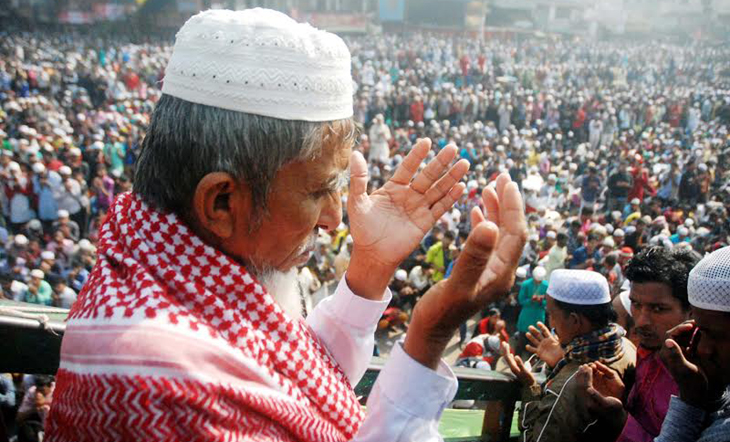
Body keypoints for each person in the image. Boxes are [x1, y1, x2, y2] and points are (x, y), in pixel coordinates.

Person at [46, 9, 528, 442]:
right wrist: (427, 336)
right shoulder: (163, 377)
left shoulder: (155, 257)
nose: (335, 218)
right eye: (318, 191)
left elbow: (284, 372)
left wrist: (370, 270)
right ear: (221, 201)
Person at [578, 246, 730, 442]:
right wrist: (623, 397)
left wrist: (622, 421)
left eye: (658, 309)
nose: (641, 321)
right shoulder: (647, 350)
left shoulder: (705, 375)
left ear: (691, 311)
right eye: (636, 304)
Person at [503, 269, 636, 442]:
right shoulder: (627, 346)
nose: (549, 322)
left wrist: (530, 387)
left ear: (574, 320)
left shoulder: (567, 386)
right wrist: (562, 361)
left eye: (551, 314)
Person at [516, 266, 548, 356]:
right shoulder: (526, 284)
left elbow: (548, 302)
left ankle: (531, 360)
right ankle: (517, 357)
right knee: (522, 338)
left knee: (536, 338)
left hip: (538, 314)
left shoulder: (546, 285)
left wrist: (541, 300)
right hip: (527, 314)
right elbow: (521, 300)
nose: (538, 282)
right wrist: (531, 300)